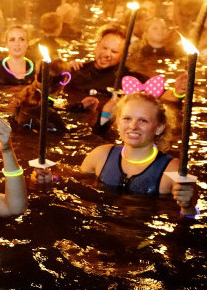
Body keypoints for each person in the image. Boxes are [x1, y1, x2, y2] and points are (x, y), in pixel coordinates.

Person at [33, 90, 197, 214]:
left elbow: (191, 218)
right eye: (127, 119)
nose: (133, 126)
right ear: (118, 122)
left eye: (143, 121)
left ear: (159, 128)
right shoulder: (101, 155)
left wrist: (188, 206)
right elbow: (72, 180)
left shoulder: (171, 170)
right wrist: (49, 179)